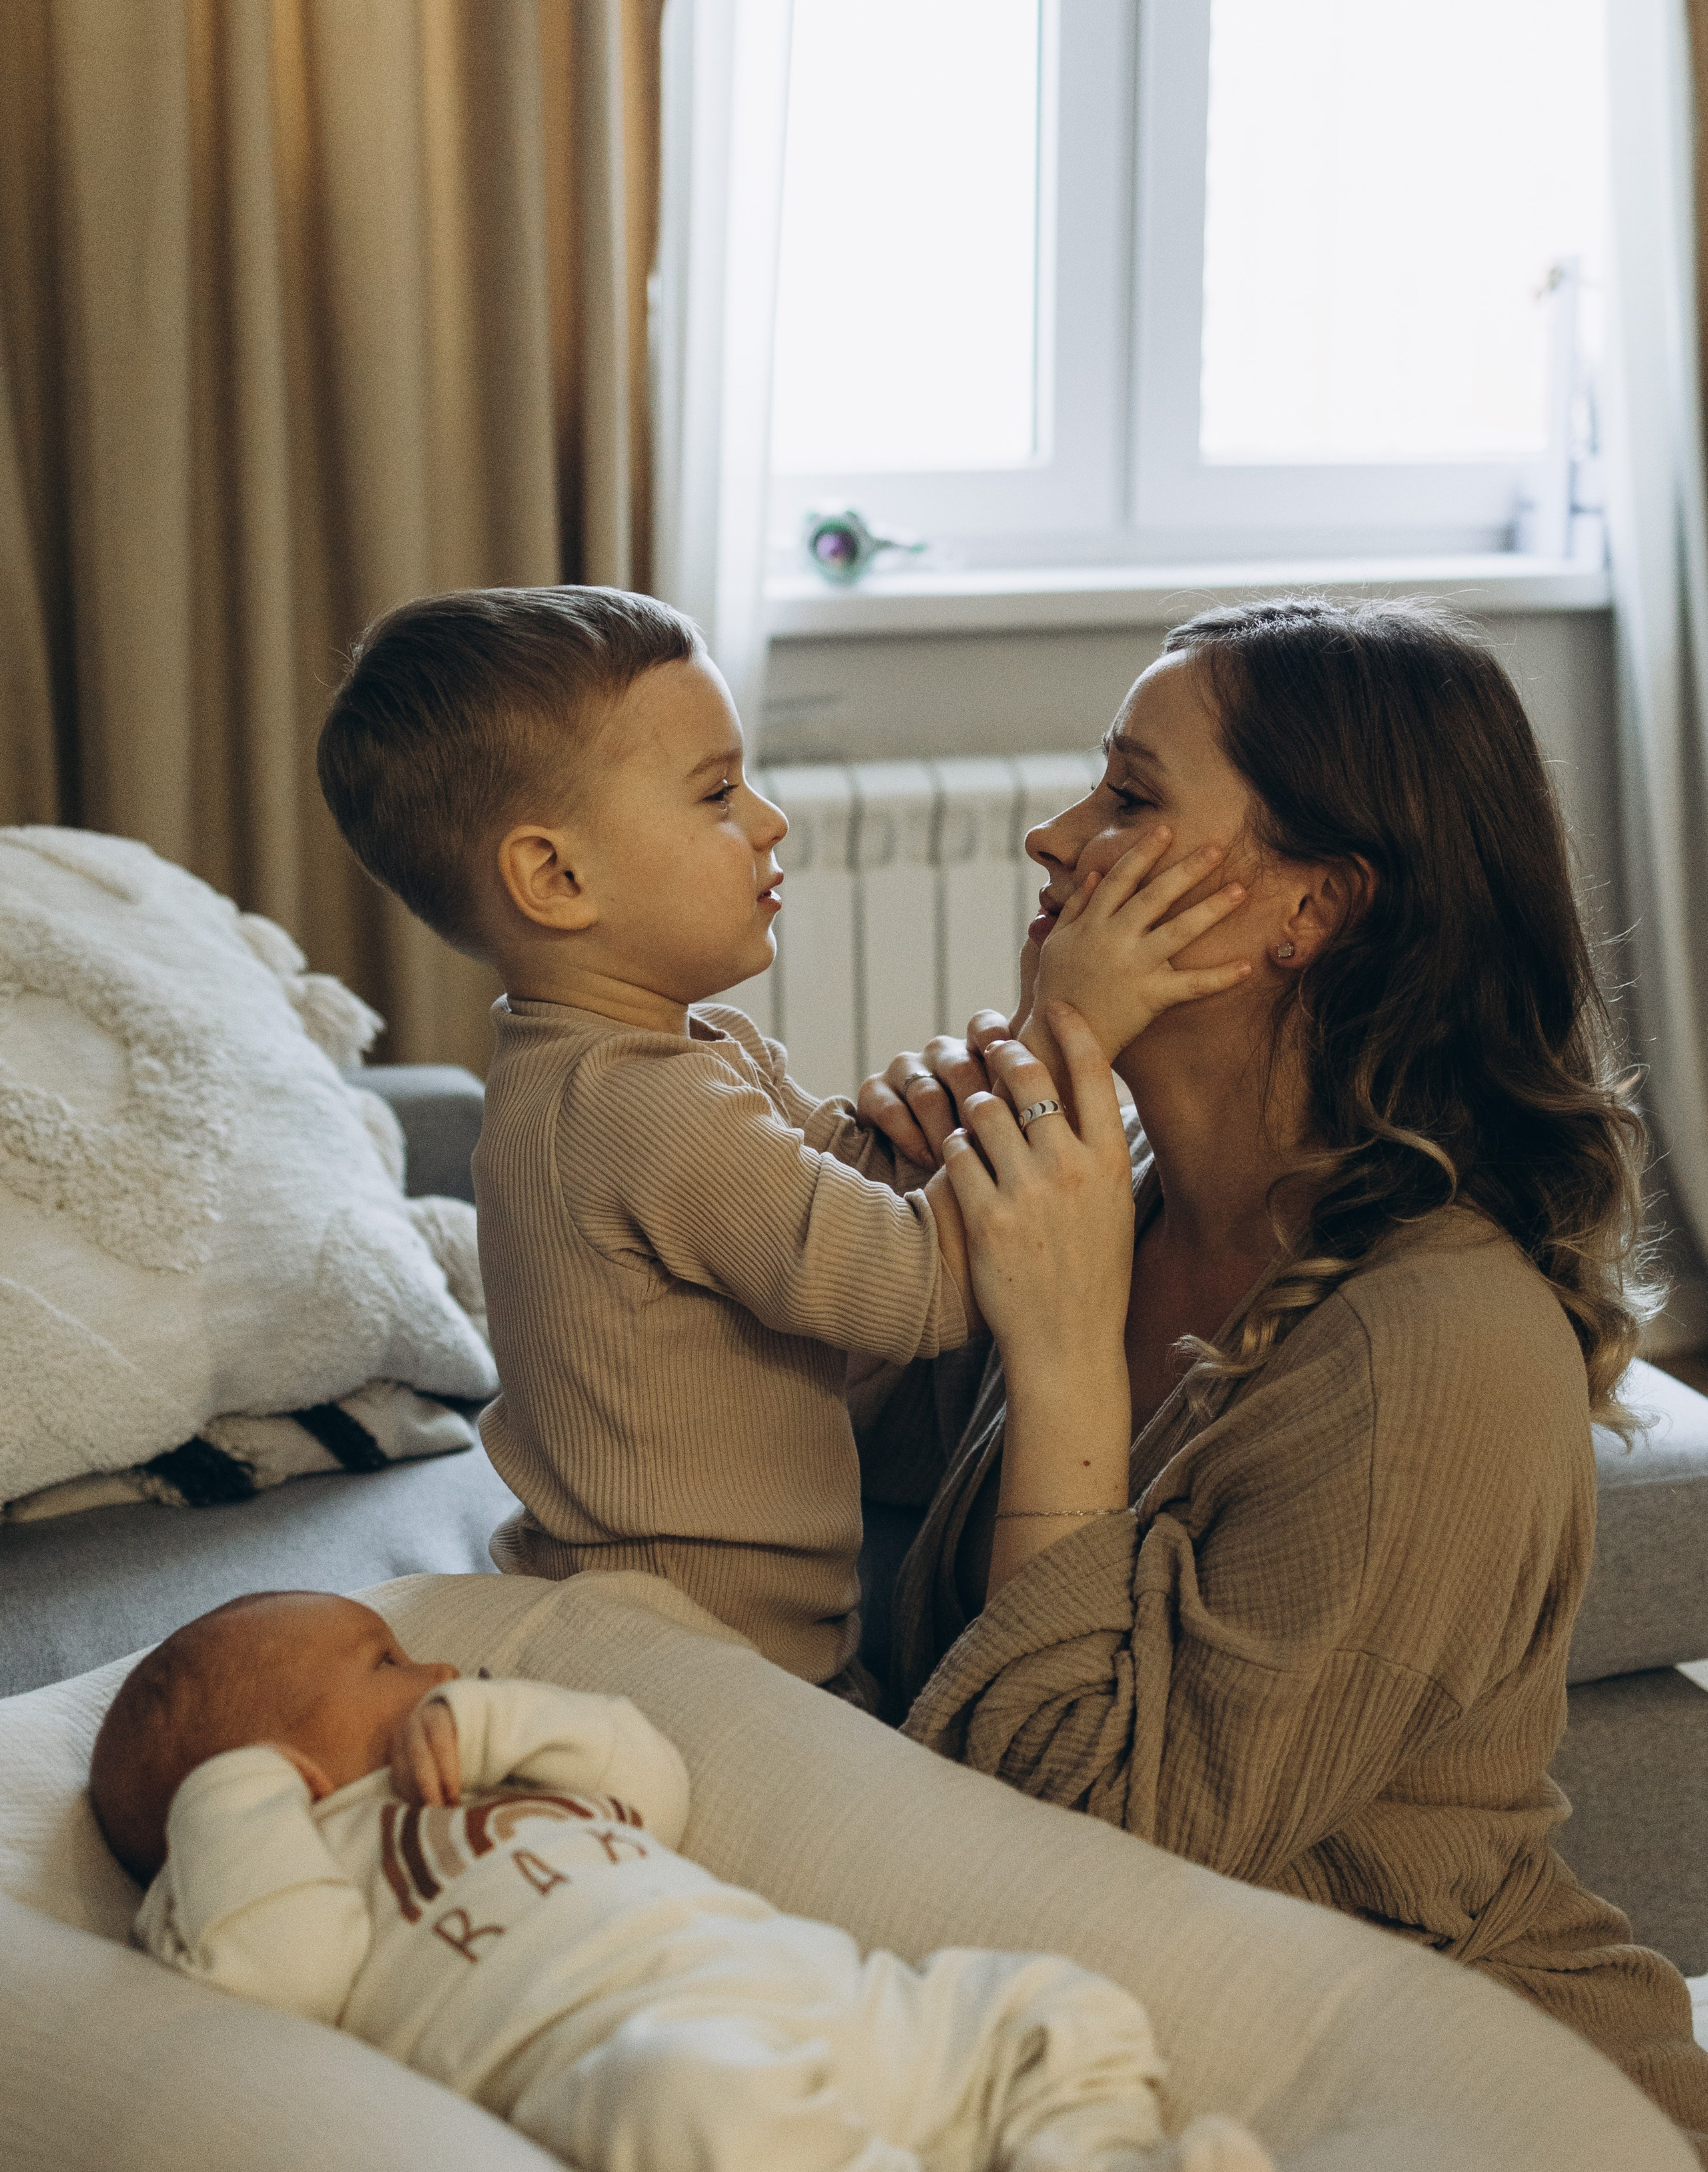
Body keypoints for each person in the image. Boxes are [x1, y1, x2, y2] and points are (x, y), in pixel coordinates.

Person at [855, 595, 1708, 2163]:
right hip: (1198, 2065)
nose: (1050, 840)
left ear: (1303, 911)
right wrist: (901, 1211)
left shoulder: (1432, 1356)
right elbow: (870, 1511)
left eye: (1125, 798)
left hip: (1473, 2113)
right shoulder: (1129, 1182)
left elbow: (1098, 1869)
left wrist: (1059, 1355)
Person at [316, 585, 1245, 1700]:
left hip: (726, 1639)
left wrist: (946, 1106)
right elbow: (923, 1292)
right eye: (717, 793)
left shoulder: (661, 1058)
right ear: (556, 880)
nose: (769, 819)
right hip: (692, 1665)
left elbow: (850, 1186)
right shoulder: (633, 1111)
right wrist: (1068, 1025)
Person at [89, 1591, 1280, 2172]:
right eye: (385, 1662)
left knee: (1043, 2001)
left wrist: (506, 1723)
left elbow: (650, 1783)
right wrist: (233, 1796)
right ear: (269, 1770)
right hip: (653, 2055)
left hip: (829, 1993)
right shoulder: (290, 1872)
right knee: (687, 2108)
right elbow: (276, 1978)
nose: (437, 1671)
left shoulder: (496, 1760)